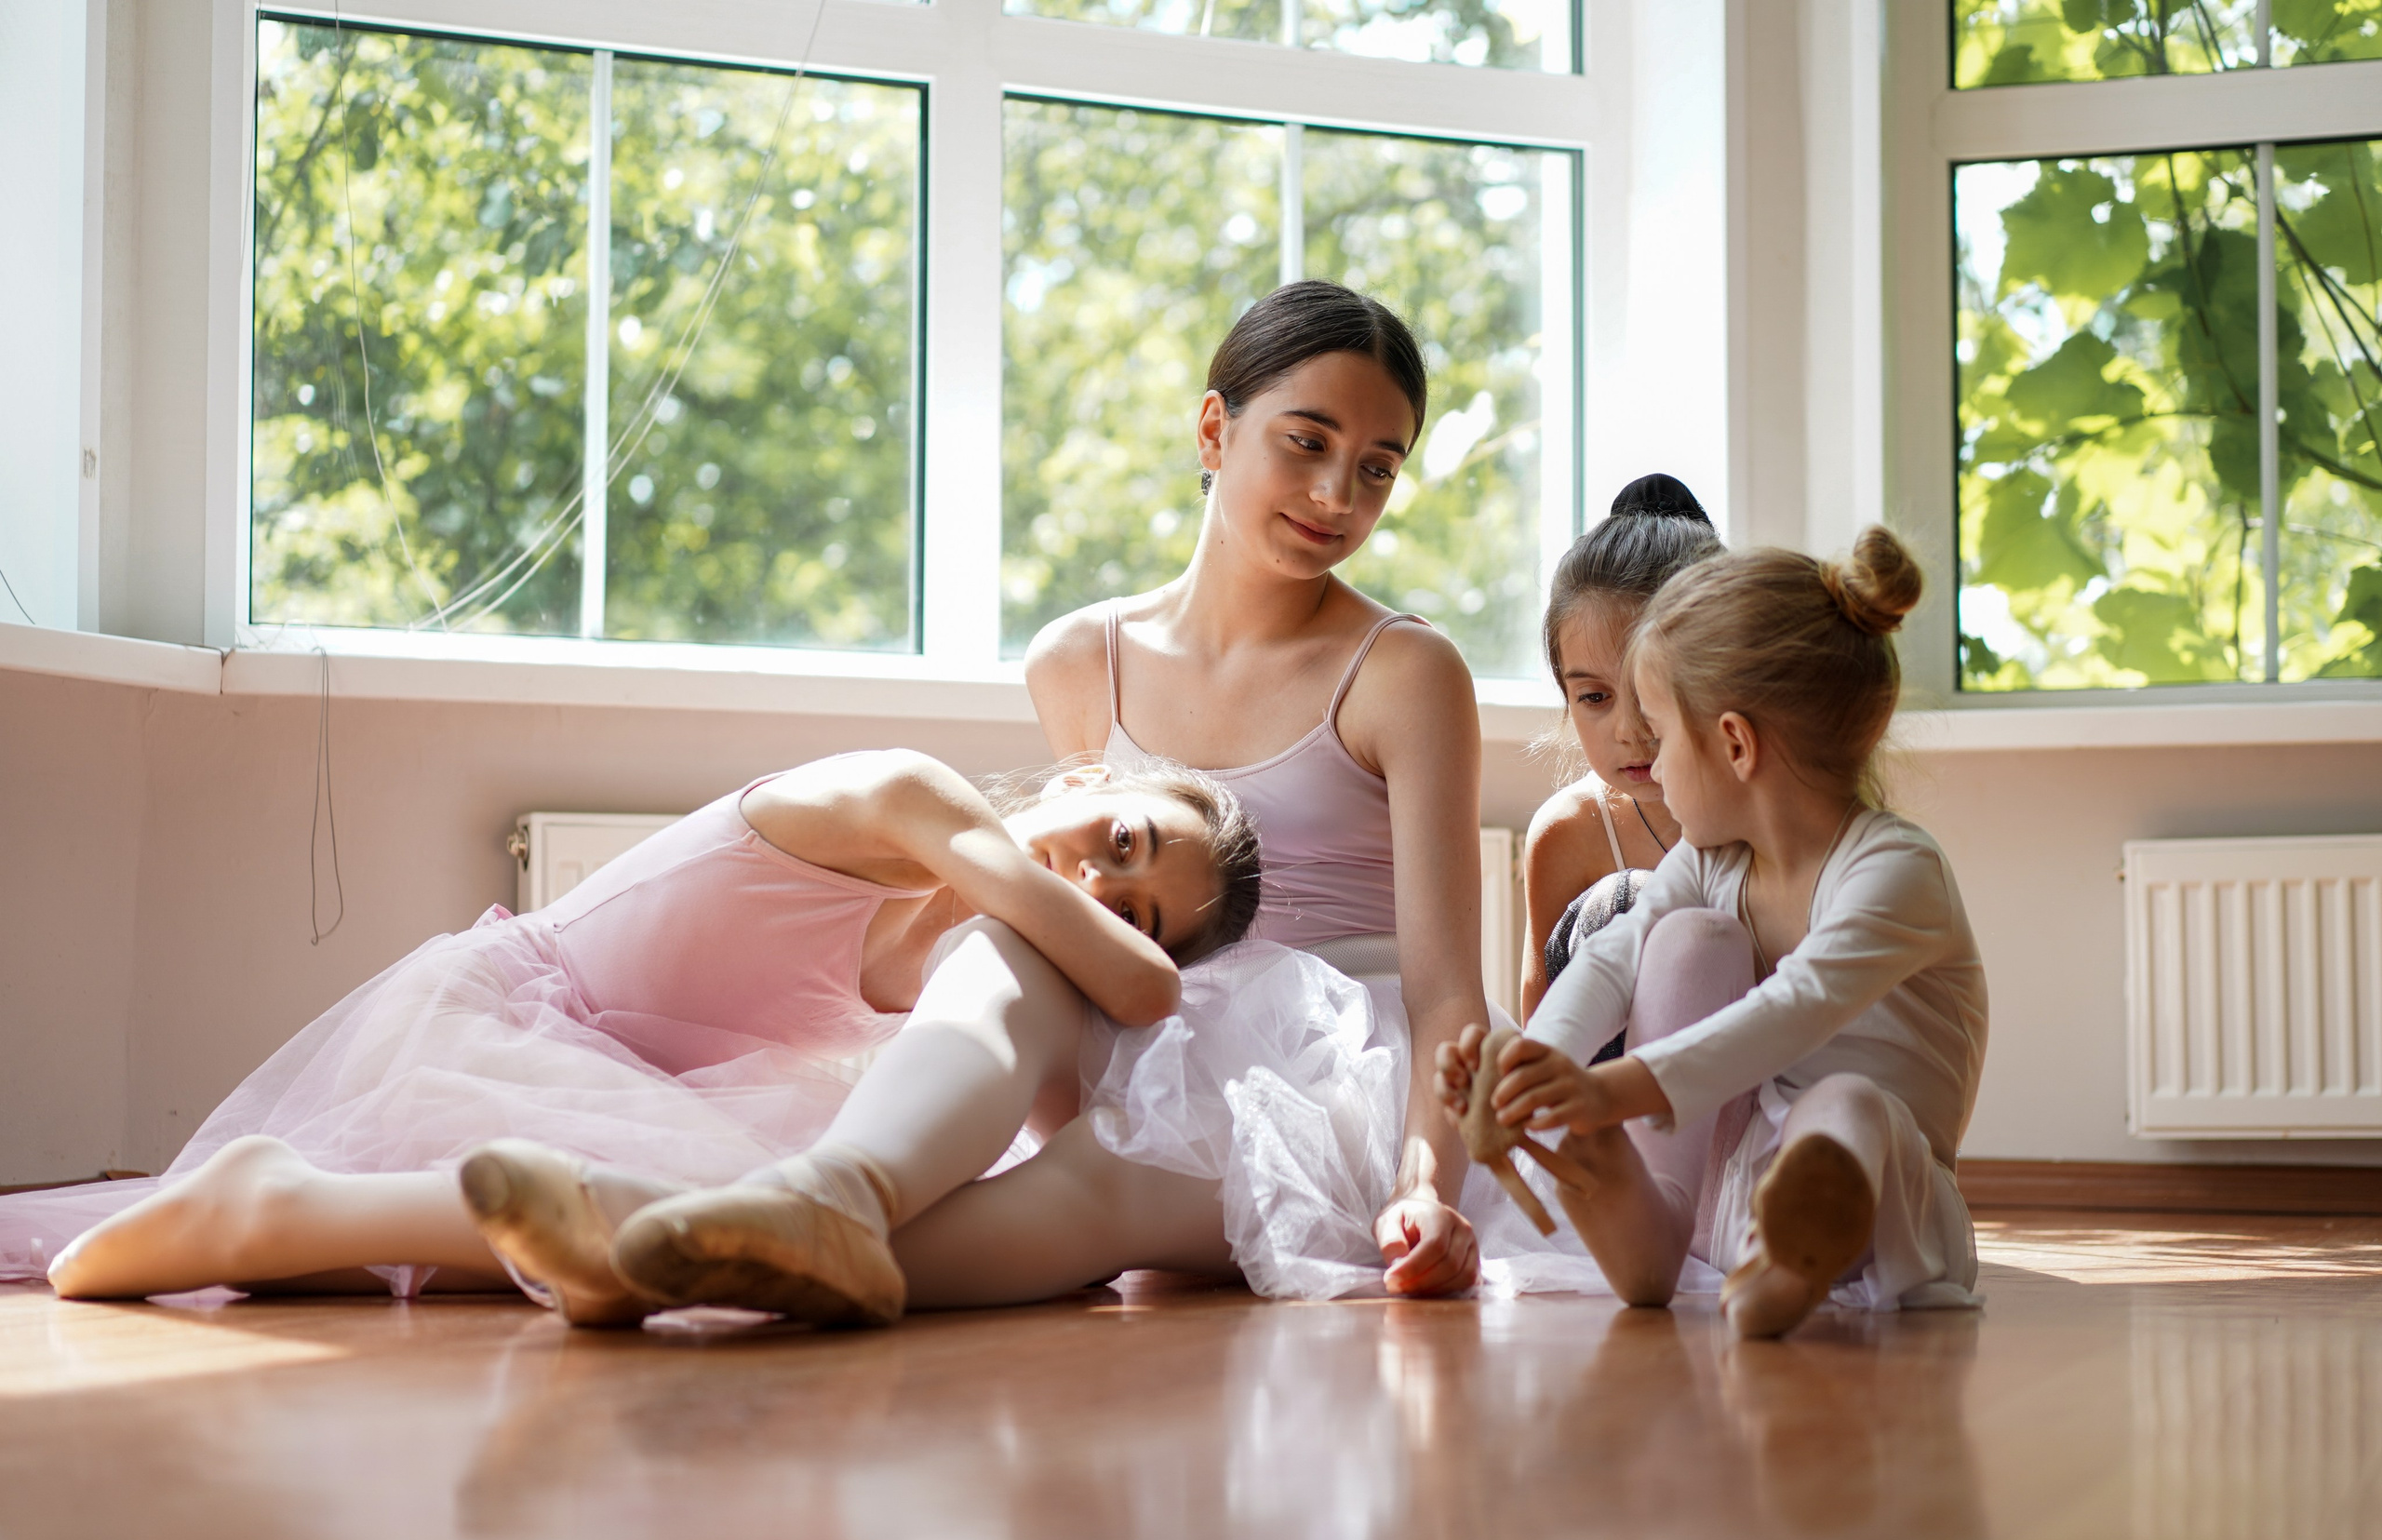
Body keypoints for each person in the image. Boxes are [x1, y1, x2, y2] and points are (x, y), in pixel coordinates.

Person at [552, 279, 1502, 1324]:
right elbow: (1076, 916)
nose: (1337, 497)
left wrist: (1423, 1186)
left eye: (1377, 469)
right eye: (1306, 443)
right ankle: (822, 1197)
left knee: (1109, 1168)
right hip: (1151, 1019)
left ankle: (671, 1248)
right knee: (998, 948)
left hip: (1331, 1076)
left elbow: (1447, 990)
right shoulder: (1077, 659)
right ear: (1213, 428)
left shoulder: (1406, 670)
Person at [20, 750, 1262, 1319]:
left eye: (1134, 905)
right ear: (1084, 777)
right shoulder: (920, 793)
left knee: (701, 1214)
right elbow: (1145, 993)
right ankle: (281, 1211)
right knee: (721, 1196)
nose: (1096, 885)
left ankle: (287, 1216)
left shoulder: (963, 948)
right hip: (511, 1012)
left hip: (617, 1064)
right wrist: (1142, 955)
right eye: (1122, 839)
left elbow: (1061, 1090)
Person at [1439, 527, 1988, 1338]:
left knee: (1845, 1104)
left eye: (1662, 735)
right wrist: (1536, 1066)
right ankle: (1661, 1227)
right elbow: (1611, 963)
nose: (1650, 766)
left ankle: (1803, 1242)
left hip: (1892, 1201)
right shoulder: (1713, 862)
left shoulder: (1895, 871)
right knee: (1684, 950)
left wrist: (1604, 1089)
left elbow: (1790, 1013)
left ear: (1734, 743)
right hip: (1739, 1192)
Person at [1520, 475, 1722, 1026]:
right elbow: (1544, 1033)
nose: (1630, 730)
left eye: (1654, 691)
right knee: (1625, 899)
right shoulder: (1568, 833)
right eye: (1594, 697)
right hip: (1603, 1103)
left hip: (1758, 1092)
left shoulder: (1773, 812)